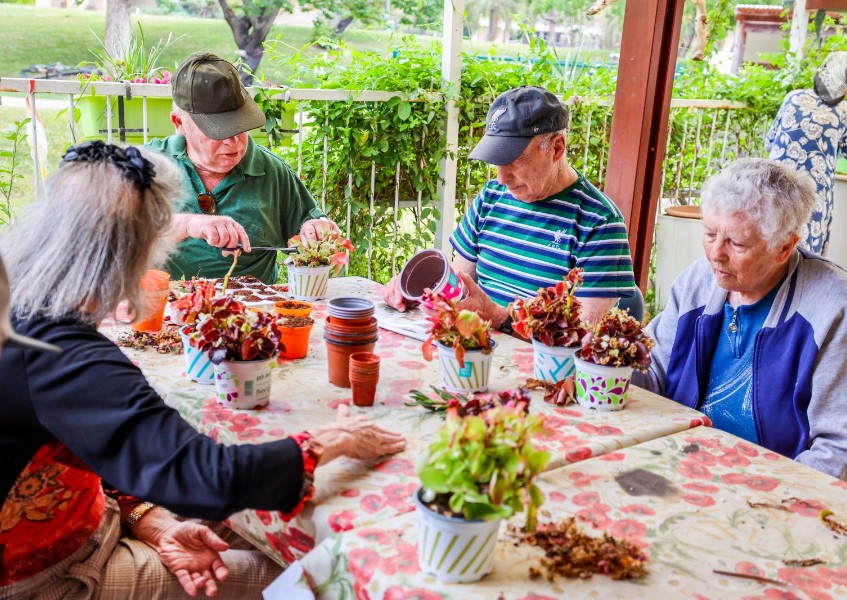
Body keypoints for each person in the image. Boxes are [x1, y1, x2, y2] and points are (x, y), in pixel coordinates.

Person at [0, 141, 406, 598]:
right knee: (316, 577)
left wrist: (148, 520)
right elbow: (204, 475)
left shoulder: (23, 312)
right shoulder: (62, 356)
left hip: (93, 520)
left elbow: (108, 440)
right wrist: (328, 442)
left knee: (262, 530)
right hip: (49, 576)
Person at [633, 158, 847, 485]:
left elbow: (844, 448)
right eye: (709, 233)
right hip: (674, 461)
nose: (715, 254)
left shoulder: (831, 302)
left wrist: (769, 494)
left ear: (784, 247)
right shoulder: (699, 280)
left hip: (767, 486)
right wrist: (598, 368)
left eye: (737, 243)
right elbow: (650, 369)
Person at [383, 86, 636, 329]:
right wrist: (418, 292)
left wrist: (499, 317)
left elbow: (582, 336)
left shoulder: (601, 223)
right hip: (477, 351)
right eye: (496, 162)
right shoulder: (492, 196)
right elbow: (459, 284)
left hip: (538, 369)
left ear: (557, 148)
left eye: (514, 161)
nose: (502, 178)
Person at [149, 52, 340, 284]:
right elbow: (114, 236)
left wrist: (317, 232)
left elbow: (311, 232)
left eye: (240, 126)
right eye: (218, 131)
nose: (233, 142)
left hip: (253, 310)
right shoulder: (146, 165)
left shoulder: (273, 172)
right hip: (165, 309)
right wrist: (188, 224)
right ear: (179, 123)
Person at [765, 51, 847, 255]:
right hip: (810, 198)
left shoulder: (793, 98)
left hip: (772, 192)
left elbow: (769, 142)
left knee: (768, 249)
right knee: (803, 260)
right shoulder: (846, 113)